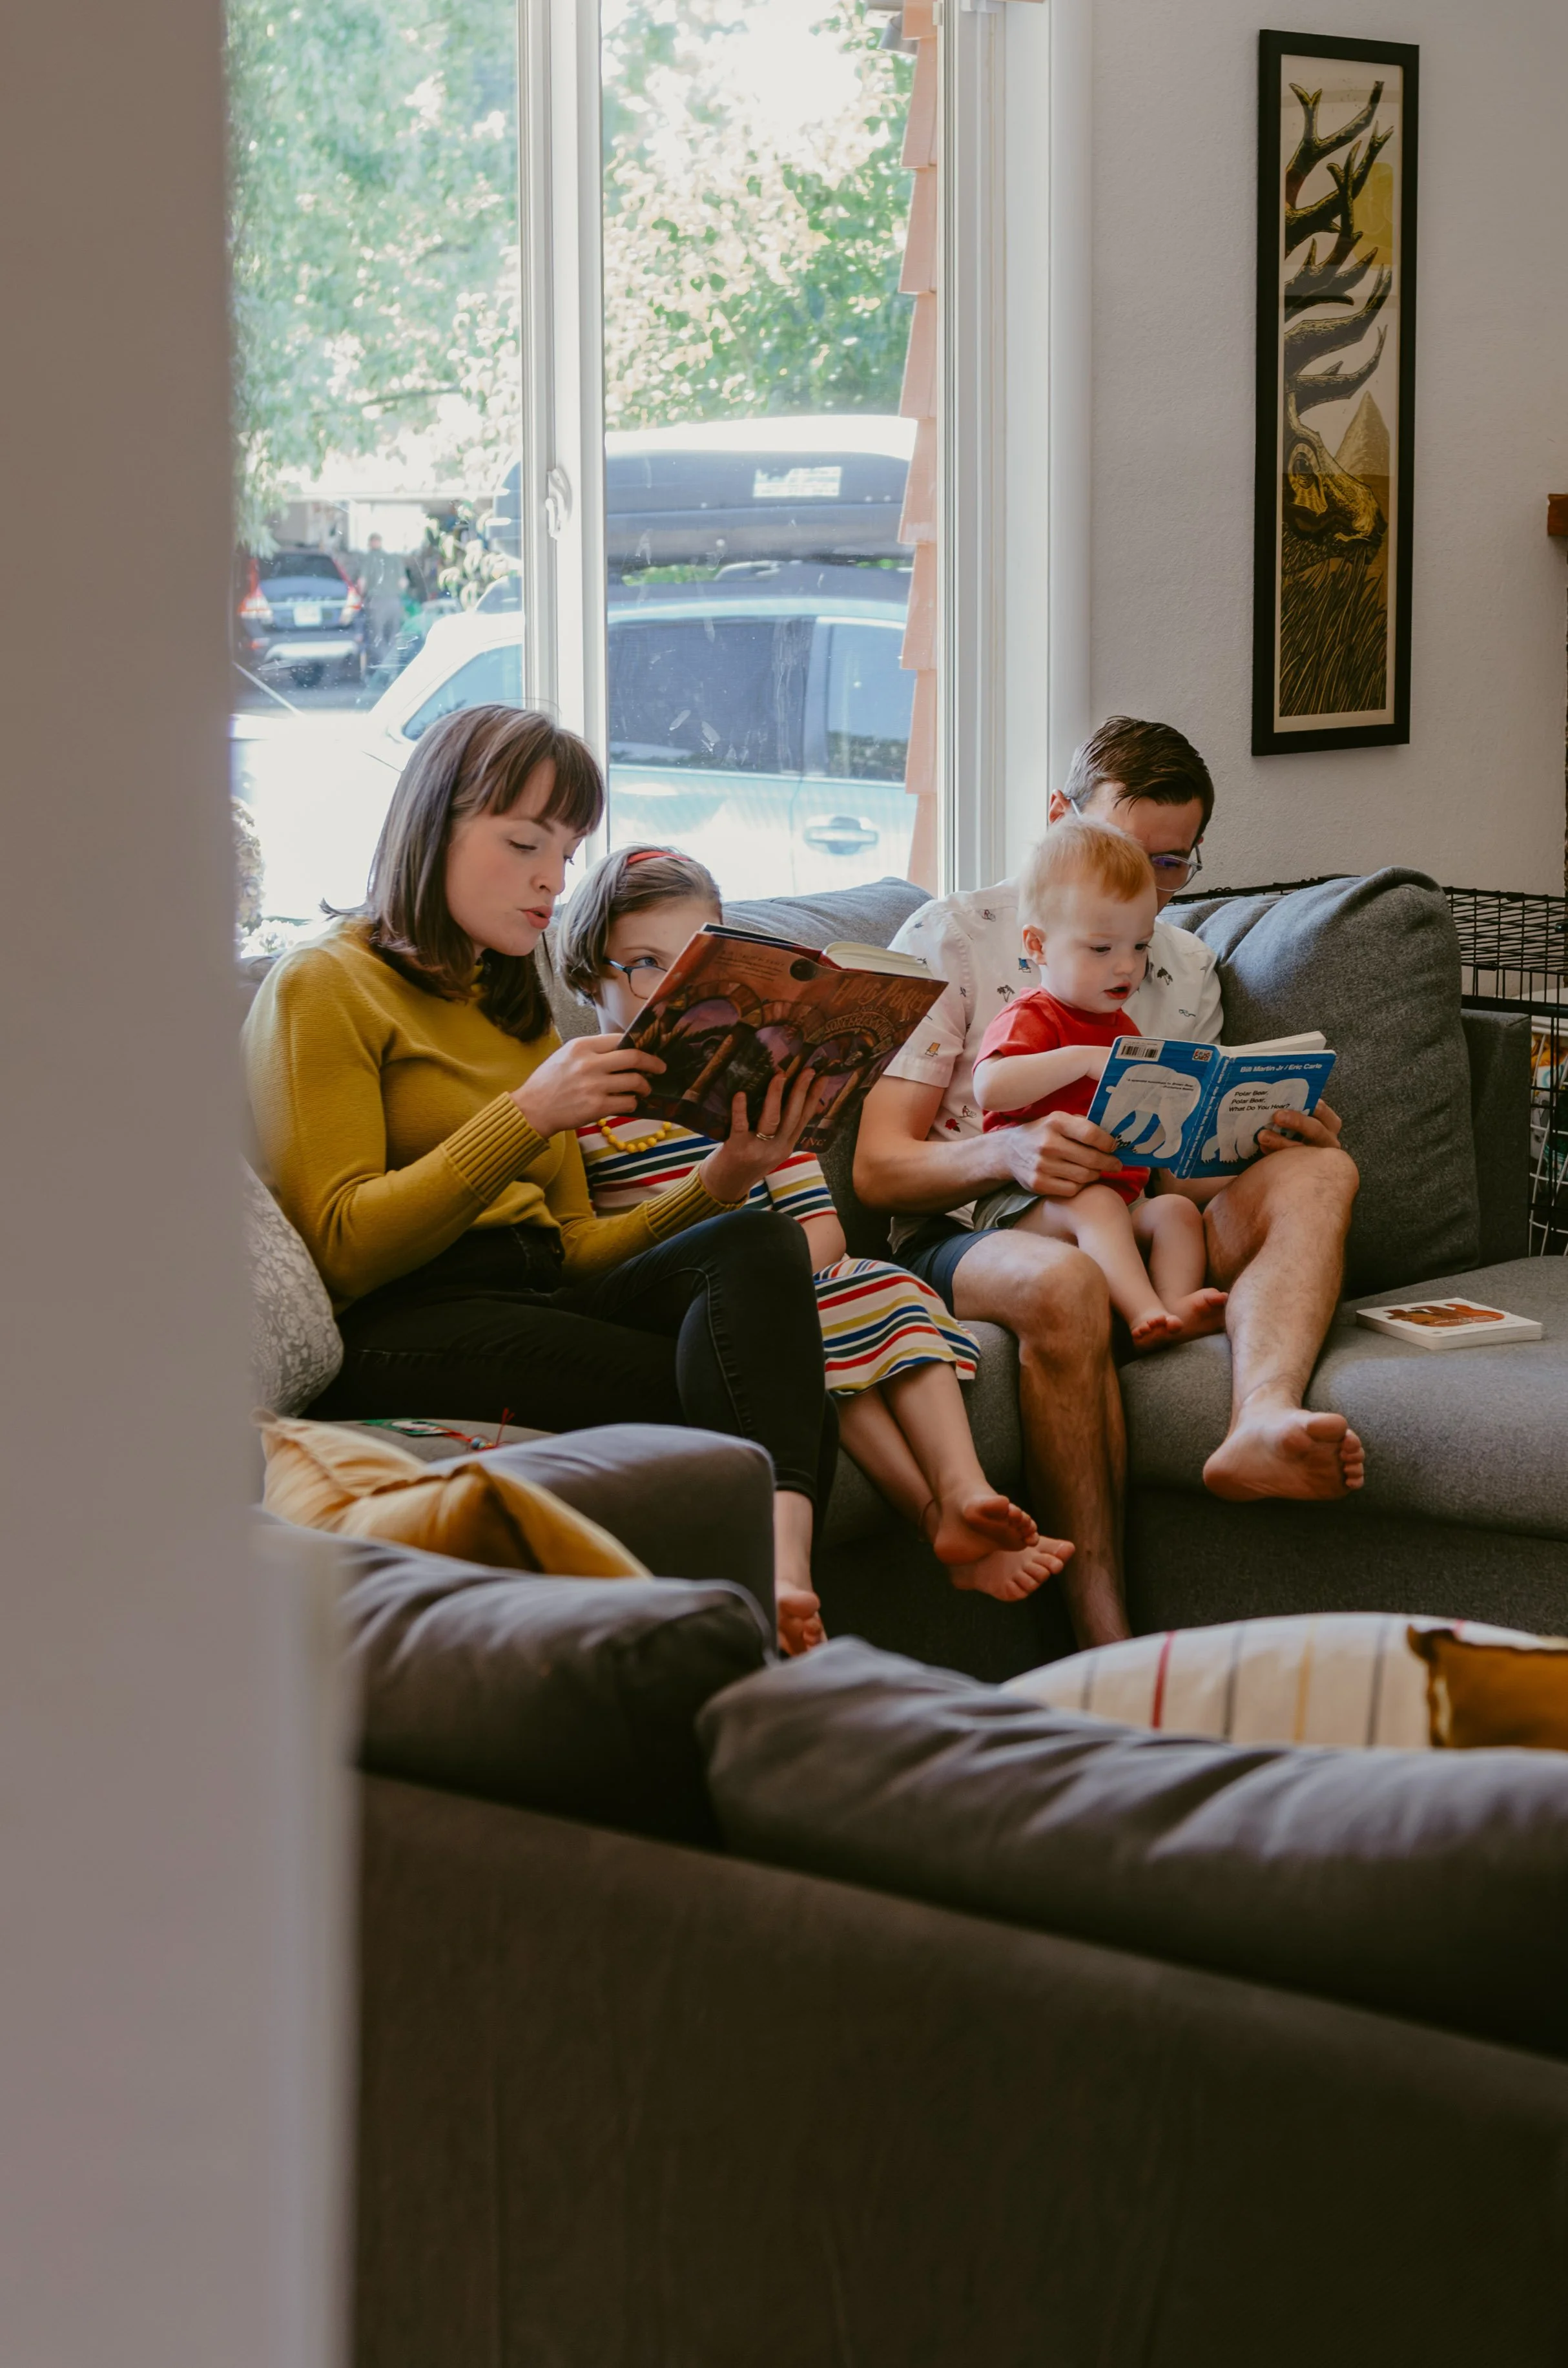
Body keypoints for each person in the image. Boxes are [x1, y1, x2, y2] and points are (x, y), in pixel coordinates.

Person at [243, 704, 837, 1655]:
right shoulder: (325, 984)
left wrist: (727, 1175)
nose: (554, 880)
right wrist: (525, 1114)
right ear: (433, 824)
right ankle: (763, 1626)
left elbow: (569, 1254)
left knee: (759, 1247)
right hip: (405, 1320)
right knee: (740, 1398)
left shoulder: (517, 1010)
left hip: (530, 1297)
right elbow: (343, 1248)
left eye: (567, 850)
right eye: (525, 842)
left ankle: (777, 1580)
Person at [853, 714, 1363, 1649]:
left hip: (1138, 1205)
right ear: (1060, 816)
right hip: (981, 1221)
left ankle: (1262, 1418)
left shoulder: (1180, 961)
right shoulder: (955, 938)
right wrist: (1006, 1154)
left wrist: (1263, 1134)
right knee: (1066, 1278)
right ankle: (1104, 1637)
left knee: (1322, 1167)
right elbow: (879, 1168)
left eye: (1174, 867)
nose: (1150, 895)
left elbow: (1178, 1163)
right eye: (1130, 853)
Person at [558, 844, 1073, 1605]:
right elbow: (587, 1253)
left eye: (698, 967)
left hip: (790, 1278)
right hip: (680, 1306)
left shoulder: (758, 1084)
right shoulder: (575, 1101)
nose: (672, 991)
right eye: (642, 965)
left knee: (878, 1288)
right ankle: (934, 1509)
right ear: (585, 970)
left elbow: (821, 1229)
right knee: (798, 1326)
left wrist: (791, 1276)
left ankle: (961, 1492)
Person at [972, 819, 1228, 1350]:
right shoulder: (1032, 1015)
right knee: (1100, 1207)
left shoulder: (1123, 1029)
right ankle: (1144, 1314)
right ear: (1037, 946)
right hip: (1022, 1206)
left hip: (1114, 1199)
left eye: (1140, 947)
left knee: (1177, 1213)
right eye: (1101, 949)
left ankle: (1174, 1306)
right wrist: (1078, 1059)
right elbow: (991, 1089)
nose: (1127, 967)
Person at [357, 533, 406, 668]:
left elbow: (362, 582)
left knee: (377, 638)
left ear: (371, 543)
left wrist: (361, 598)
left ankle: (384, 670)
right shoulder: (394, 559)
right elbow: (403, 583)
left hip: (377, 603)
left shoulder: (368, 559)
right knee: (393, 637)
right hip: (394, 603)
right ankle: (394, 667)